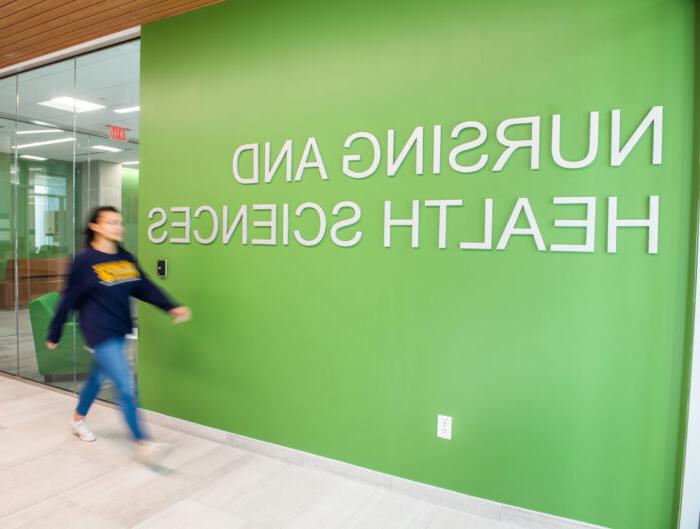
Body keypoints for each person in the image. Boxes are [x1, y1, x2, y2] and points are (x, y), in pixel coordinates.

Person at [46, 205, 191, 464]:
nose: (118, 227)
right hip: (98, 331)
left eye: (120, 222)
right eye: (111, 222)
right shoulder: (84, 261)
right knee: (126, 385)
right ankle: (142, 441)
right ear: (95, 227)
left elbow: (144, 286)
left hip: (119, 328)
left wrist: (170, 306)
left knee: (95, 379)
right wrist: (55, 332)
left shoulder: (125, 257)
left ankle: (78, 421)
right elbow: (68, 299)